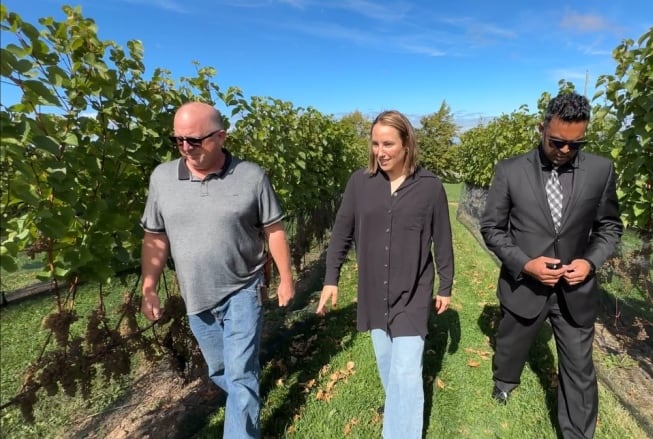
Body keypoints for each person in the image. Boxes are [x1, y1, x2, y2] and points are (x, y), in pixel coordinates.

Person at [139, 101, 294, 439]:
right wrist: (149, 286)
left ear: (221, 136)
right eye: (177, 140)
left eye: (194, 140)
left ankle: (242, 423)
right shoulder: (163, 178)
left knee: (240, 375)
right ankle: (245, 402)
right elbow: (155, 236)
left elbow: (274, 230)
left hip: (243, 288)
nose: (185, 148)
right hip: (197, 297)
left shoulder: (251, 176)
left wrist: (286, 278)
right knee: (222, 370)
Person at [479, 92, 622, 438]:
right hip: (525, 284)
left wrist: (590, 263)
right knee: (513, 342)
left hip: (576, 289)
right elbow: (492, 229)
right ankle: (505, 380)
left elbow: (610, 227)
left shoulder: (600, 171)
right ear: (541, 128)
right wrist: (526, 264)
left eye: (575, 144)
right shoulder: (510, 171)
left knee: (580, 367)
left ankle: (576, 433)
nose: (565, 151)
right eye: (557, 142)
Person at [316, 110, 454, 439]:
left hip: (414, 292)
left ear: (407, 144)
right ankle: (398, 412)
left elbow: (443, 240)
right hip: (374, 293)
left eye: (388, 143)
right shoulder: (359, 183)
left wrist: (445, 285)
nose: (381, 151)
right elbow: (341, 234)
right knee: (388, 366)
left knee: (406, 373)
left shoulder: (431, 188)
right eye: (376, 143)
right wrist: (330, 278)